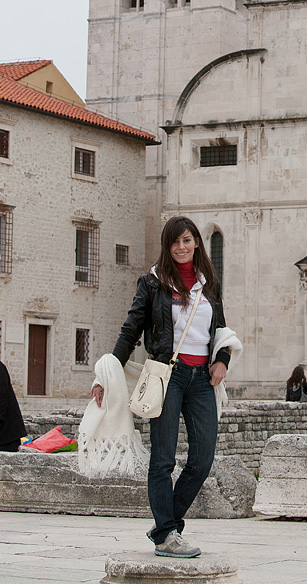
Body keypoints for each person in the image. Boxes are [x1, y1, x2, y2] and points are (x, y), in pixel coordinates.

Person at [91, 216, 231, 559]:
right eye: (174, 243)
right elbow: (130, 330)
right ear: (167, 248)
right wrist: (106, 374)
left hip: (202, 379)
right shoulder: (152, 282)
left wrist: (223, 359)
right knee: (163, 459)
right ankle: (167, 534)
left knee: (202, 459)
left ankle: (164, 527)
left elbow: (221, 328)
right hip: (166, 376)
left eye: (186, 240)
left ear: (196, 242)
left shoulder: (207, 282)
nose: (181, 247)